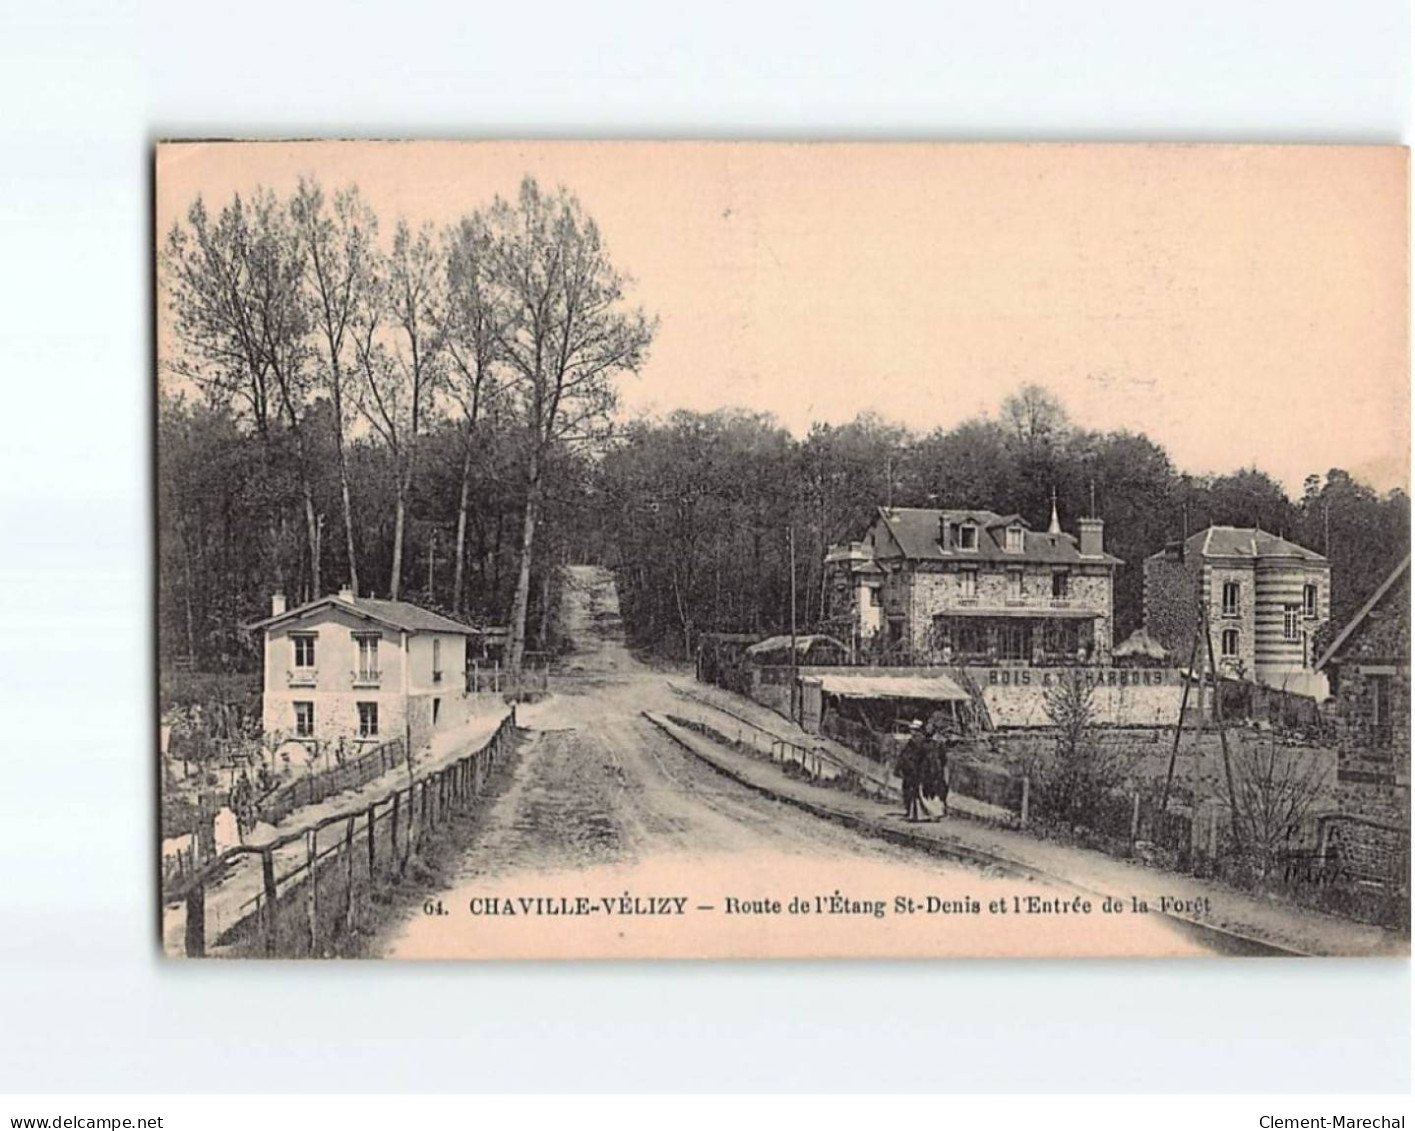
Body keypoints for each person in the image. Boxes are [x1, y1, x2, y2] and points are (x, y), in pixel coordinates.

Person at [898, 720, 928, 822]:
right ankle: (911, 812)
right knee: (910, 790)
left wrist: (911, 765)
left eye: (913, 729)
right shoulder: (916, 740)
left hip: (914, 769)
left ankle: (914, 814)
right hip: (911, 768)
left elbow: (917, 755)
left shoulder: (917, 741)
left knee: (912, 791)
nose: (911, 731)